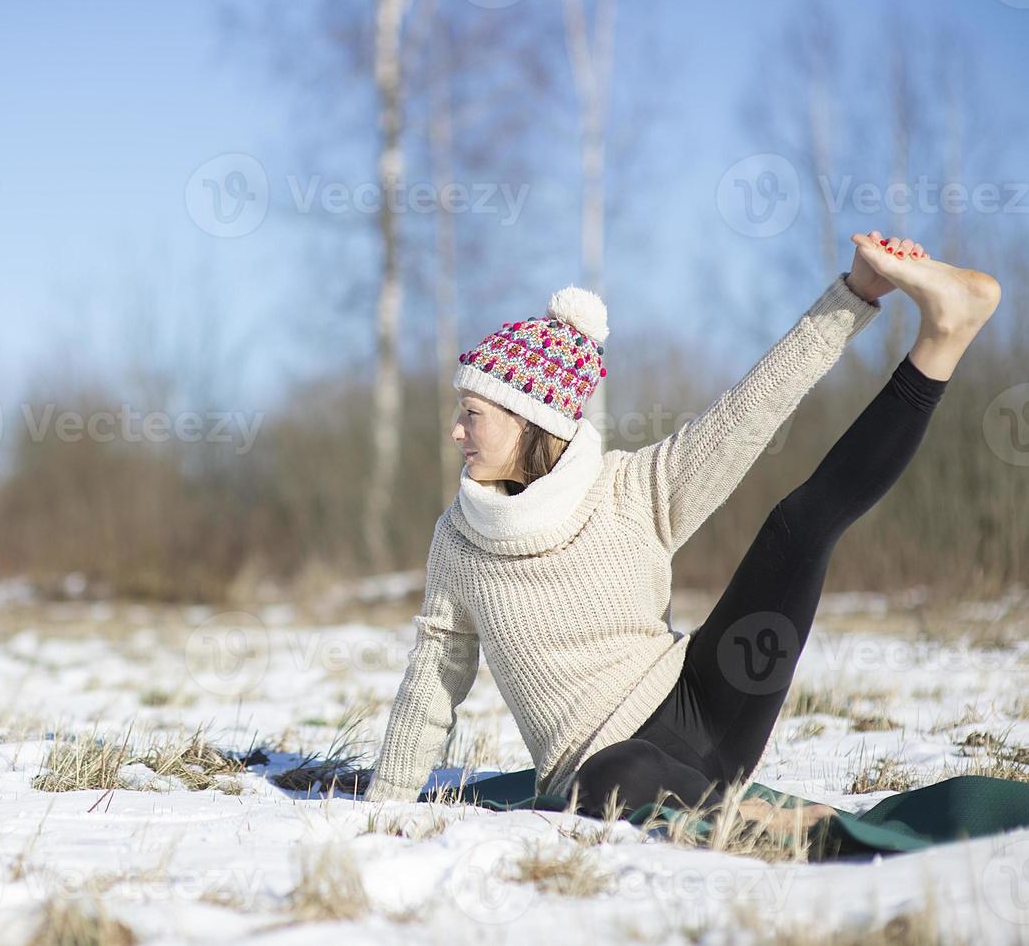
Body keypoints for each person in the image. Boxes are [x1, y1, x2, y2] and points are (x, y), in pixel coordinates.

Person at [362, 231, 1002, 833]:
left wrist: (855, 294)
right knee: (612, 776)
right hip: (609, 765)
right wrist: (382, 812)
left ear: (529, 420)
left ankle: (944, 336)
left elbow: (754, 407)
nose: (455, 432)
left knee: (798, 525)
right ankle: (755, 820)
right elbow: (433, 678)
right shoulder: (459, 539)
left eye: (470, 415)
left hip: (711, 694)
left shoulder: (631, 489)